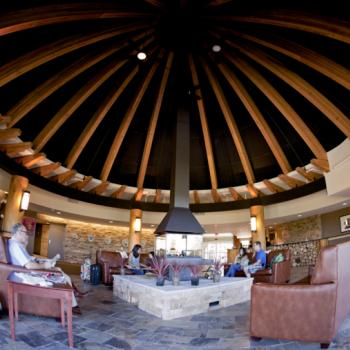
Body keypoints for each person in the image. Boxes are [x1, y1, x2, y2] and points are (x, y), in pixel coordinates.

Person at [8, 223, 82, 314]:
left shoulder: (17, 245)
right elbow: (29, 266)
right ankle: (70, 305)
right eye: (25, 233)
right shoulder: (15, 246)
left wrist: (41, 261)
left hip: (27, 272)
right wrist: (44, 266)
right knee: (62, 276)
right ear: (18, 232)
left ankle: (73, 299)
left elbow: (28, 260)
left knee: (58, 270)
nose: (27, 235)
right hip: (25, 275)